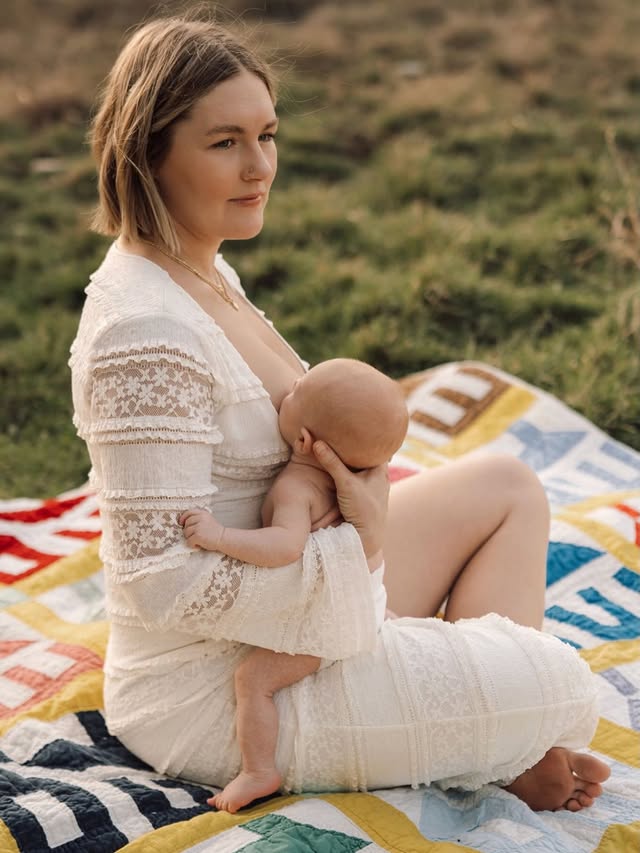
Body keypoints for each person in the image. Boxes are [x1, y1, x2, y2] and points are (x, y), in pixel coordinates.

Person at [70, 12, 610, 815]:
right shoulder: (142, 333)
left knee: (506, 484)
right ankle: (504, 743)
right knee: (563, 690)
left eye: (268, 134)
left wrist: (360, 533)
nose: (259, 167)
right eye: (224, 143)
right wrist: (358, 554)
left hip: (304, 606)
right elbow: (160, 582)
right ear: (149, 153)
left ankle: (493, 738)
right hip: (221, 685)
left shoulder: (207, 270)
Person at [179, 357, 409, 812]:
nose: (290, 387)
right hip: (362, 596)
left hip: (323, 621)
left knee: (252, 680)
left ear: (305, 440)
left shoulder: (295, 488)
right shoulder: (346, 482)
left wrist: (219, 536)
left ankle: (258, 770)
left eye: (298, 391)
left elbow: (285, 546)